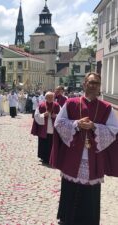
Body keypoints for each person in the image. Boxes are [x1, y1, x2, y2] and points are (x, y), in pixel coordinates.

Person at [50, 72, 118, 225]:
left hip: (94, 155)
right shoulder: (72, 103)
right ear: (84, 84)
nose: (93, 85)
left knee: (90, 194)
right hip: (73, 154)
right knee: (70, 188)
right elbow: (59, 123)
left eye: (97, 83)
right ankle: (67, 219)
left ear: (99, 87)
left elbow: (114, 129)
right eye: (91, 82)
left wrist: (95, 126)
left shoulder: (106, 108)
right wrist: (75, 124)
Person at [31, 92, 60, 164]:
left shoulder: (57, 105)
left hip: (53, 128)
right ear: (45, 98)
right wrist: (43, 115)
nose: (50, 99)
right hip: (44, 127)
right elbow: (36, 115)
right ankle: (43, 157)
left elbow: (62, 116)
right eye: (48, 97)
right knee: (43, 143)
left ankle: (52, 157)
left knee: (52, 143)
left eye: (51, 97)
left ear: (53, 98)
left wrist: (55, 116)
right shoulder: (41, 105)